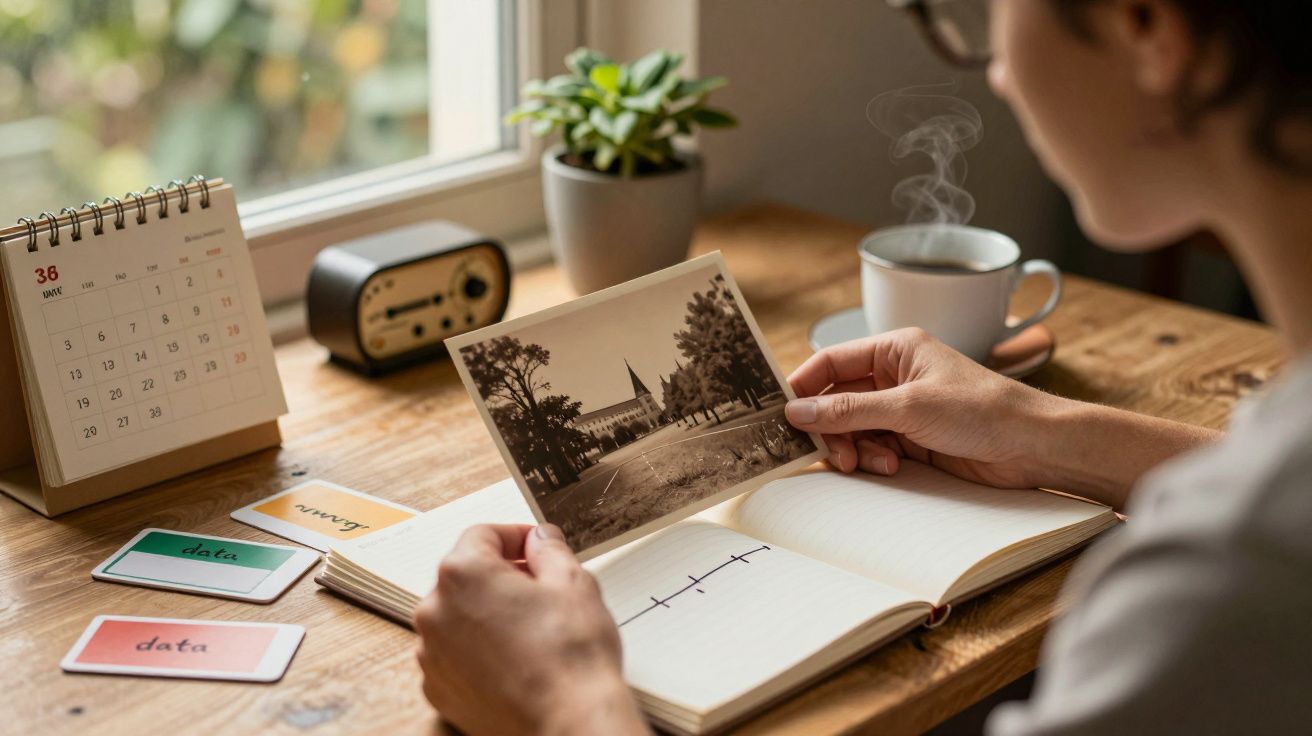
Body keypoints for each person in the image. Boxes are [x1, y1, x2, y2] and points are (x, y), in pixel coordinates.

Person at [412, 1, 1312, 733]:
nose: (995, 68)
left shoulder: (1218, 589)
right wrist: (1048, 436)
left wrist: (562, 705)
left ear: (1147, 25)